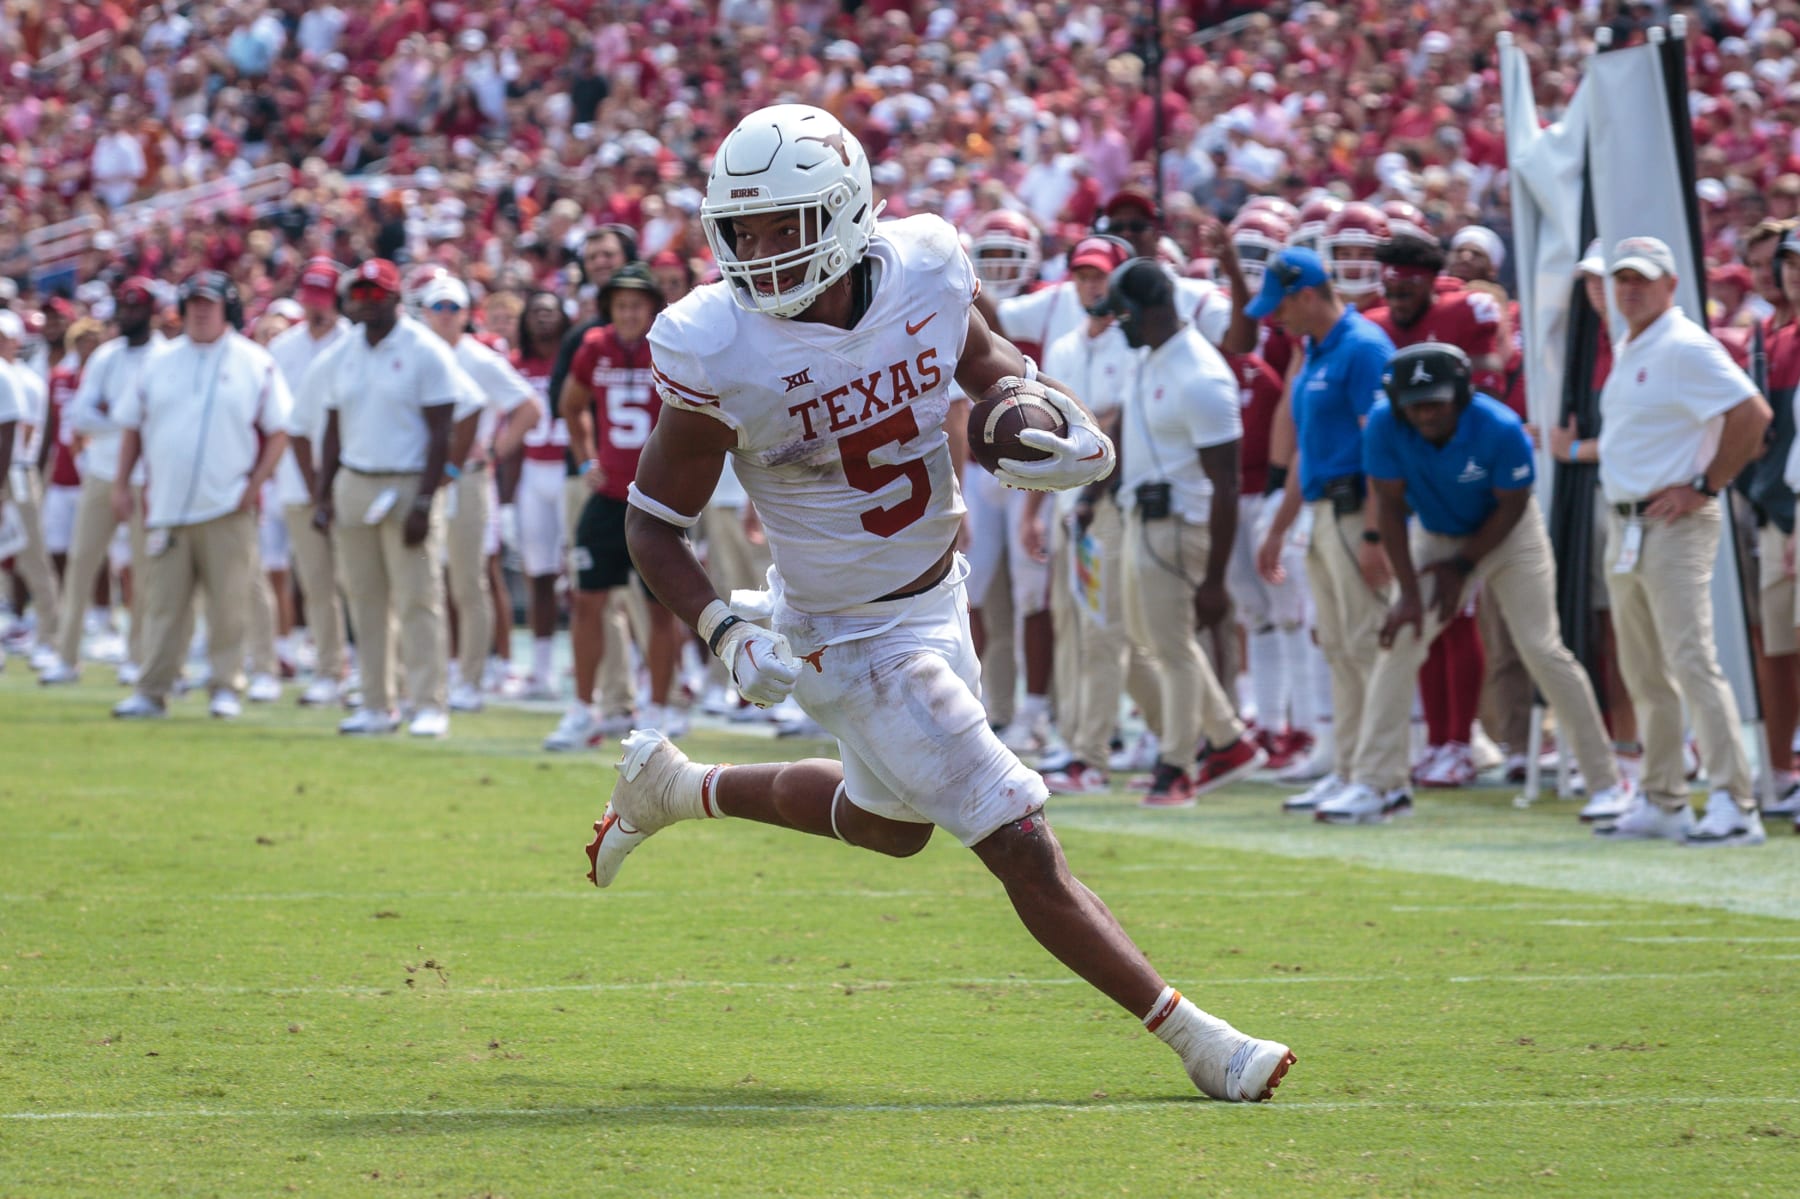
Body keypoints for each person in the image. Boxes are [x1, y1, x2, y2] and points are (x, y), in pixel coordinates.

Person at [588, 104, 1294, 1102]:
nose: (756, 251)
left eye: (781, 224)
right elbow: (653, 522)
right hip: (844, 630)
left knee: (892, 825)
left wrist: (1027, 418)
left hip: (937, 597)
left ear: (844, 213)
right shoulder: (718, 345)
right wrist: (722, 625)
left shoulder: (923, 266)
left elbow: (993, 367)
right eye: (739, 229)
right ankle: (1199, 1039)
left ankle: (677, 786)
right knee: (1017, 834)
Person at [1325, 342, 1633, 823]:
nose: (1425, 414)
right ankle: (1377, 784)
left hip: (1507, 534)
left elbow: (1512, 503)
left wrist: (1464, 567)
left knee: (1541, 648)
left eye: (1435, 402)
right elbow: (1386, 504)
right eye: (1415, 404)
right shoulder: (1385, 423)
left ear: (1462, 394)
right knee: (1400, 638)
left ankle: (1607, 781)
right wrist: (1407, 593)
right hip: (1433, 531)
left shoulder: (1500, 428)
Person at [1600, 236, 1770, 845]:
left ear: (1672, 285)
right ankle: (1663, 796)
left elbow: (1752, 414)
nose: (1630, 289)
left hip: (1672, 521)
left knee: (1692, 660)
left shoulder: (1685, 344)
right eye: (1623, 278)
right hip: (1628, 522)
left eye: (1643, 279)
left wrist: (1705, 484)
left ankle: (1734, 800)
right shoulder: (1634, 342)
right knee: (1644, 668)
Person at [1090, 258, 1267, 804]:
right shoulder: (1153, 356)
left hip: (1178, 524)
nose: (1117, 325)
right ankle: (1228, 742)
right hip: (1141, 517)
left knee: (1172, 648)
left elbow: (1227, 482)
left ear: (1151, 310)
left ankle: (1177, 765)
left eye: (1122, 314)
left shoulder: (1202, 376)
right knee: (1153, 641)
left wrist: (1215, 578)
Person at [108, 272, 294, 719]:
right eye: (192, 302)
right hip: (167, 504)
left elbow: (280, 430)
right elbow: (133, 425)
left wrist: (253, 486)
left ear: (226, 306)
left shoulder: (255, 361)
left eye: (209, 302)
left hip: (227, 504)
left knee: (229, 603)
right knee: (162, 604)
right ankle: (153, 688)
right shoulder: (159, 361)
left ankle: (225, 685)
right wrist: (120, 482)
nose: (200, 309)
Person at [1252, 247, 1397, 814]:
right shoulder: (1315, 348)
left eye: (1281, 306)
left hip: (1356, 511)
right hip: (1322, 512)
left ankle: (1381, 778)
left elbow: (1381, 449)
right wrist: (1279, 527)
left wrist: (1376, 536)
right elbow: (1311, 455)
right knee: (1338, 646)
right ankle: (1349, 768)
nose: (1275, 318)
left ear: (1307, 294)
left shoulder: (1362, 348)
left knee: (1364, 645)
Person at [311, 259, 462, 737]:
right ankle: (376, 703)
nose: (365, 302)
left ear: (396, 299)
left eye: (375, 295)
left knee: (418, 598)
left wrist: (423, 501)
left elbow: (443, 433)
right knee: (364, 598)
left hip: (407, 481)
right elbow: (332, 428)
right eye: (359, 295)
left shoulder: (424, 349)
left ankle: (428, 703)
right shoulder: (343, 350)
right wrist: (323, 493)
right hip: (355, 480)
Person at [549, 262, 686, 749]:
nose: (628, 313)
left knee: (661, 607)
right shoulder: (593, 346)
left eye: (637, 304)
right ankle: (583, 708)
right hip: (608, 497)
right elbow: (570, 403)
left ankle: (660, 709)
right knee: (587, 601)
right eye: (621, 304)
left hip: (656, 497)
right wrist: (586, 457)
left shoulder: (670, 343)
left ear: (653, 307)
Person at [416, 274, 541, 713]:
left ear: (466, 314)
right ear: (426, 312)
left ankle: (471, 674)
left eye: (454, 308)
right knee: (425, 579)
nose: (446, 316)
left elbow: (528, 407)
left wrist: (493, 451)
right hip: (421, 475)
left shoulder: (479, 358)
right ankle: (435, 670)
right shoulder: (416, 354)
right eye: (439, 308)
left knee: (468, 581)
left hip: (467, 476)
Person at [39, 279, 162, 686]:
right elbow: (81, 415)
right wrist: (129, 418)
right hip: (102, 474)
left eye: (135, 309)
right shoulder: (106, 357)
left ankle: (138, 655)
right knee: (81, 565)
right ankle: (66, 655)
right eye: (123, 308)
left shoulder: (165, 357)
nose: (128, 315)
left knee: (145, 573)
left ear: (151, 313)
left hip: (149, 478)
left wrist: (115, 414)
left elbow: (159, 422)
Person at [267, 257, 354, 706]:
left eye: (323, 296)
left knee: (362, 582)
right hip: (298, 481)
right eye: (310, 295)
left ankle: (375, 670)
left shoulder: (355, 342)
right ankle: (329, 667)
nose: (316, 305)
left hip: (352, 475)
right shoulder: (282, 348)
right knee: (316, 581)